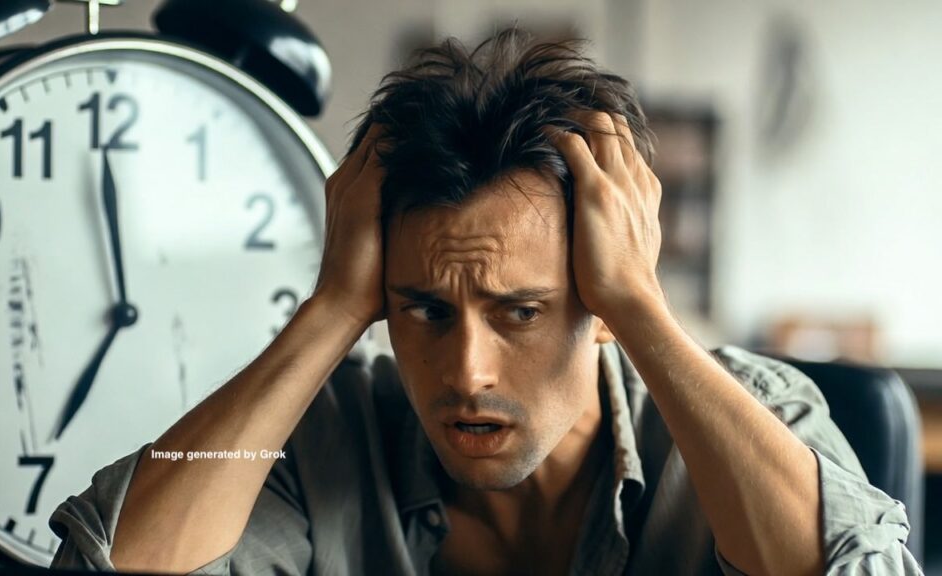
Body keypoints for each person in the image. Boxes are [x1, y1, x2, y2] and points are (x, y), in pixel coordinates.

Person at [49, 28, 921, 575]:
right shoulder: (325, 438)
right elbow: (109, 564)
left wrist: (639, 306)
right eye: (427, 310)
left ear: (598, 305)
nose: (467, 373)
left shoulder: (760, 413)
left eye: (520, 313)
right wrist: (330, 311)